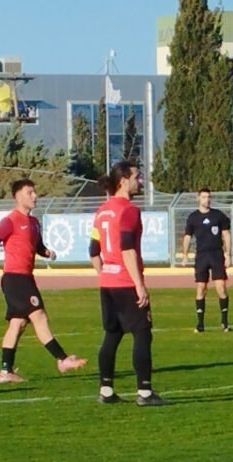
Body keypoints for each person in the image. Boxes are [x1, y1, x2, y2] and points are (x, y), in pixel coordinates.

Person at [0, 179, 87, 383]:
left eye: (34, 192)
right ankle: (62, 359)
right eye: (29, 192)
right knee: (39, 315)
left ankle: (5, 371)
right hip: (15, 279)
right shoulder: (10, 220)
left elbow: (37, 246)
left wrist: (46, 252)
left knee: (18, 324)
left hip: (25, 278)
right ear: (17, 196)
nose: (35, 196)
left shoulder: (34, 222)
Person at [89, 161, 166, 406]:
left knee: (112, 335)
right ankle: (145, 392)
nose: (140, 181)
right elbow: (127, 249)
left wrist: (104, 275)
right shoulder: (129, 210)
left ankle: (106, 390)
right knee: (142, 333)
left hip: (108, 282)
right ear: (123, 181)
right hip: (125, 281)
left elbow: (93, 250)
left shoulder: (101, 211)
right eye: (137, 177)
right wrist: (139, 285)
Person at [181, 188, 232, 332]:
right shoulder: (193, 217)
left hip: (217, 255)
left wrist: (228, 255)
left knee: (221, 287)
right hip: (201, 256)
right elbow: (187, 237)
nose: (207, 200)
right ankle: (200, 324)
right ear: (198, 198)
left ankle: (224, 322)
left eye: (209, 197)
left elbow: (226, 235)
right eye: (204, 197)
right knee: (201, 288)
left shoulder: (218, 215)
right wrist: (184, 255)